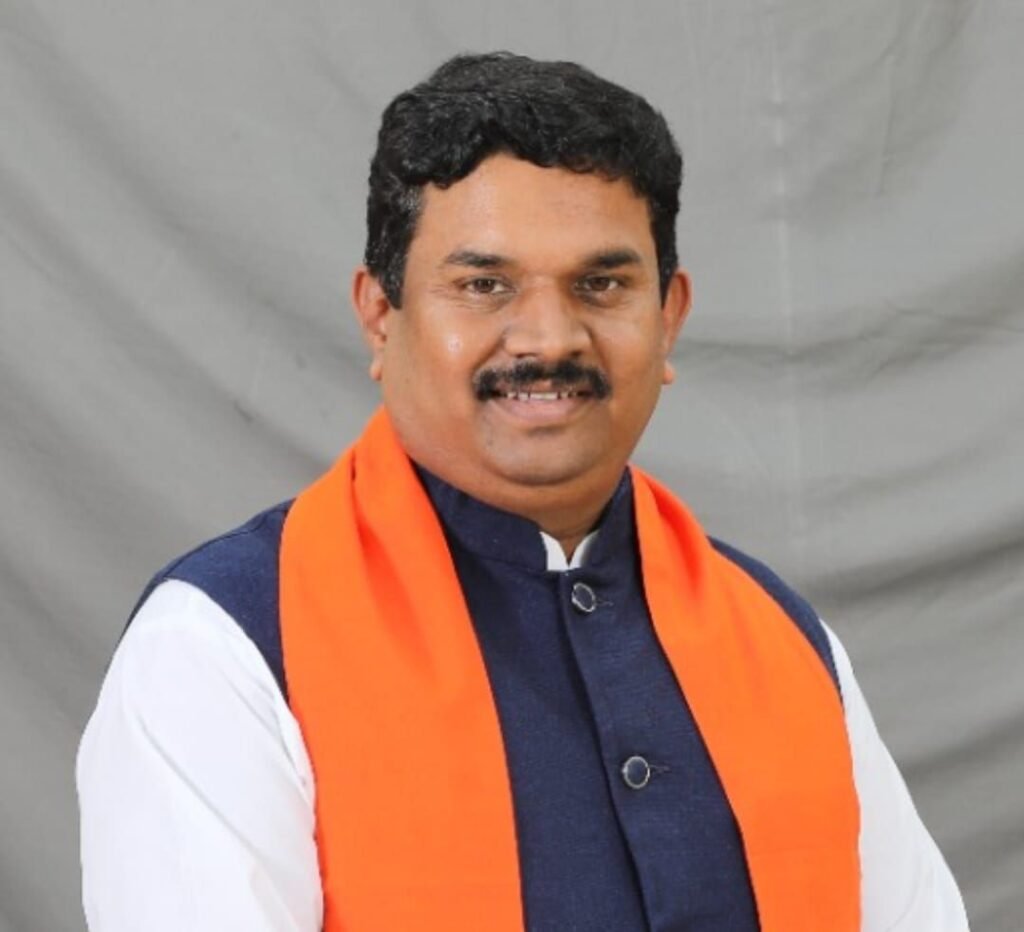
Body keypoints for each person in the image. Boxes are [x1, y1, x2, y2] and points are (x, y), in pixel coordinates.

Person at [76, 52, 969, 931]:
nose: (549, 337)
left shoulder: (783, 640)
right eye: (484, 285)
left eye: (602, 285)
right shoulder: (222, 646)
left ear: (668, 319)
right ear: (380, 316)